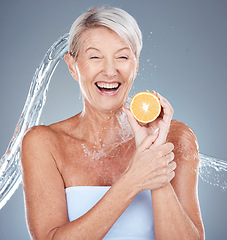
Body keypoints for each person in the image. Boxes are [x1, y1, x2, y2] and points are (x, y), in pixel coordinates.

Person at [21, 6, 205, 240]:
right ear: (72, 66)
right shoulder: (43, 143)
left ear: (135, 65)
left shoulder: (175, 137)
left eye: (122, 57)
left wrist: (154, 159)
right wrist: (132, 181)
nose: (110, 71)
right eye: (95, 57)